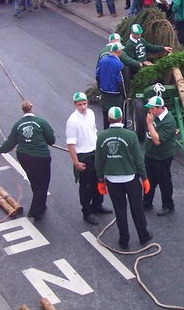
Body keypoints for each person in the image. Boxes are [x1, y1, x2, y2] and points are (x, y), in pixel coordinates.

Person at [95, 106, 153, 250]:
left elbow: (99, 160)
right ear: (122, 118)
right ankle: (143, 235)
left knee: (119, 210)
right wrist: (144, 178)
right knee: (137, 208)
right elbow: (139, 160)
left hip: (112, 181)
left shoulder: (101, 136)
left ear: (109, 120)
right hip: (130, 179)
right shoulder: (131, 135)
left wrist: (100, 179)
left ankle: (124, 239)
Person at [0, 101, 55, 220]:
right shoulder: (41, 122)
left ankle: (41, 205)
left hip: (24, 157)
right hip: (41, 157)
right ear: (32, 108)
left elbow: (10, 142)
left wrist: (1, 150)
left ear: (22, 110)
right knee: (43, 184)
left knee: (34, 181)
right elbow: (51, 140)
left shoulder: (18, 124)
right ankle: (35, 211)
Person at [66, 92, 112, 225]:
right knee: (85, 186)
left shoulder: (91, 114)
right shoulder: (72, 121)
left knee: (98, 180)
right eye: (79, 105)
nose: (83, 107)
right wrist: (76, 162)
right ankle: (87, 212)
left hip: (95, 153)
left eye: (84, 104)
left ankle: (97, 205)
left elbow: (94, 132)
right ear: (75, 105)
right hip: (84, 156)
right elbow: (71, 144)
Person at [142, 96, 177, 215]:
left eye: (151, 108)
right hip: (150, 155)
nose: (149, 111)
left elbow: (157, 140)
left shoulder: (169, 121)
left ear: (158, 108)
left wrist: (150, 124)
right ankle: (147, 202)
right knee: (149, 180)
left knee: (164, 181)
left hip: (162, 157)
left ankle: (168, 205)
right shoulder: (154, 116)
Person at [96, 42, 127, 130]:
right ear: (119, 51)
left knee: (106, 115)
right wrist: (125, 95)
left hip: (104, 94)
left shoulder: (102, 61)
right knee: (118, 115)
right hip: (115, 95)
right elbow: (121, 82)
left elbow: (97, 76)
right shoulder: (119, 64)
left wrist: (100, 89)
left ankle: (106, 131)